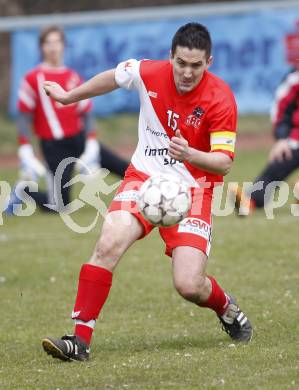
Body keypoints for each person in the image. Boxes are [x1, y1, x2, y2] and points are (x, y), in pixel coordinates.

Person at [41, 22, 253, 362]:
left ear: (208, 62)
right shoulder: (147, 72)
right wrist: (70, 96)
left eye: (195, 65)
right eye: (181, 63)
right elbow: (112, 76)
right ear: (171, 56)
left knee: (188, 285)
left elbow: (224, 163)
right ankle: (79, 340)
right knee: (109, 241)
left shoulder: (220, 98)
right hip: (144, 179)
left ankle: (226, 307)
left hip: (195, 190)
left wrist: (190, 155)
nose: (186, 72)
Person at [6, 25, 128, 214]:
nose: (53, 47)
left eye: (57, 42)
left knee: (126, 169)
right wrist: (25, 146)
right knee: (59, 206)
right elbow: (24, 115)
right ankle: (24, 190)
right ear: (41, 47)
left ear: (63, 46)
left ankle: (153, 196)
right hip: (54, 147)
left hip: (79, 139)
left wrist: (92, 142)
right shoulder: (33, 78)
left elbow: (85, 112)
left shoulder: (73, 76)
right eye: (48, 43)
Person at [231, 64, 299, 215]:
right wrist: (281, 139)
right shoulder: (295, 78)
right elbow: (281, 109)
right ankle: (249, 201)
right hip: (295, 140)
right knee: (276, 167)